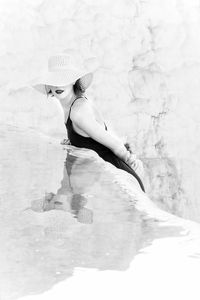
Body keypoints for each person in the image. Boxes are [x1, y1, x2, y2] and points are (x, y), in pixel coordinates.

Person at [31, 53, 145, 192]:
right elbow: (91, 138)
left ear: (73, 81)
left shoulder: (78, 111)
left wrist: (131, 160)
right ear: (48, 85)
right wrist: (74, 142)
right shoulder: (71, 105)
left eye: (64, 79)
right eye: (54, 80)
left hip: (118, 180)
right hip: (104, 180)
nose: (59, 85)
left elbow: (113, 144)